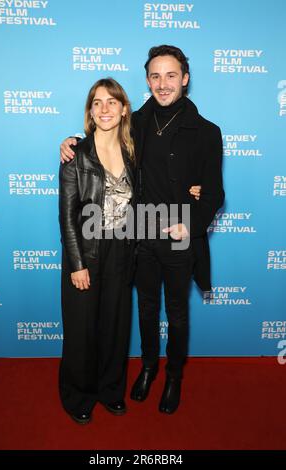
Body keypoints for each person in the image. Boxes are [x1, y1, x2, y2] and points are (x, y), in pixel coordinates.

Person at [61, 44, 222, 416]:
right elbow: (99, 136)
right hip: (140, 236)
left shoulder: (207, 132)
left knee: (177, 312)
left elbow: (214, 192)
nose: (163, 84)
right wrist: (69, 142)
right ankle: (148, 367)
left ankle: (175, 376)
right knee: (146, 309)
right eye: (155, 76)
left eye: (170, 75)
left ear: (185, 79)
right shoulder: (136, 122)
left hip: (180, 238)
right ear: (147, 81)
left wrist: (192, 224)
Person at [59, 78, 135, 425]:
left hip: (122, 249)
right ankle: (79, 395)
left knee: (115, 325)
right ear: (90, 111)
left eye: (112, 102)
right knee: (82, 328)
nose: (104, 109)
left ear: (123, 109)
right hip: (86, 251)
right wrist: (77, 263)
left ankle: (110, 390)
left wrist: (196, 188)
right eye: (97, 103)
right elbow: (67, 215)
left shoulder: (135, 151)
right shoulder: (75, 153)